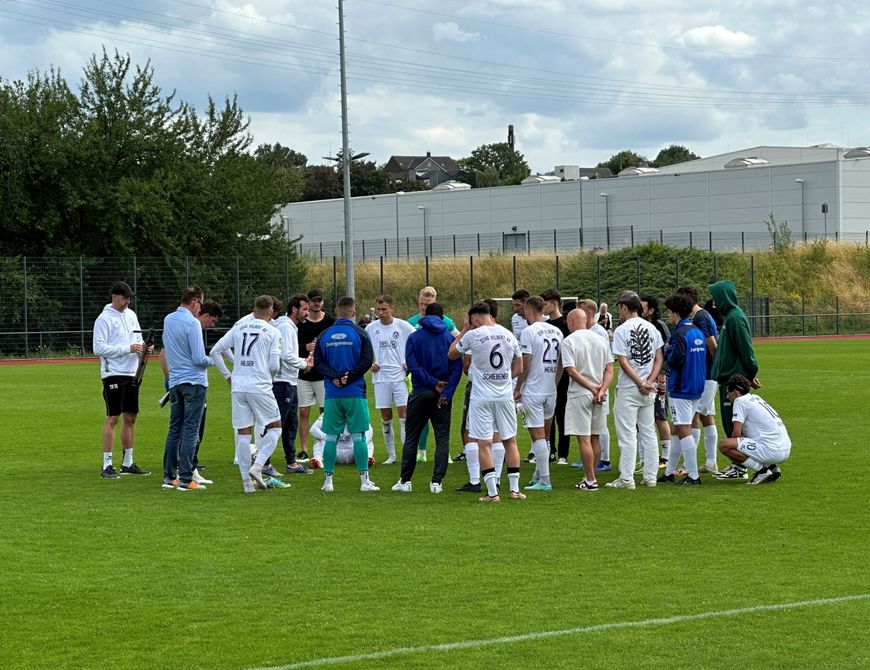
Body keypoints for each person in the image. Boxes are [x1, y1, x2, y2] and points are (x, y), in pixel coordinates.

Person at [449, 301, 524, 502]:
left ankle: (492, 493)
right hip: (505, 396)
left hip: (481, 397)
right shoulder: (509, 334)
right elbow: (520, 365)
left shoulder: (474, 334)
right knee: (510, 440)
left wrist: (464, 330)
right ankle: (515, 490)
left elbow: (452, 353)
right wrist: (506, 379)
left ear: (474, 318)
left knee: (484, 443)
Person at [210, 296, 284, 492]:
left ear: (254, 309)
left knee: (243, 433)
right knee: (275, 427)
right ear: (270, 312)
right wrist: (269, 375)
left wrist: (228, 375)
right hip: (260, 385)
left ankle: (246, 484)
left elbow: (216, 351)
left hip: (239, 385)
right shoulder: (273, 331)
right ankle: (258, 466)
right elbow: (274, 365)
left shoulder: (239, 327)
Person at [392, 302, 462, 493]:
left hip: (421, 391)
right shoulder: (449, 338)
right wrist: (445, 392)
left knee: (412, 437)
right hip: (443, 394)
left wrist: (431, 383)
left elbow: (412, 366)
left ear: (424, 316)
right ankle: (436, 482)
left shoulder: (414, 337)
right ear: (442, 318)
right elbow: (457, 369)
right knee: (442, 437)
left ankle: (405, 481)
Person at [313, 296, 378, 492]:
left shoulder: (324, 334)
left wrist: (334, 377)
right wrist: (349, 377)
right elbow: (367, 360)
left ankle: (328, 482)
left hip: (332, 393)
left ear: (336, 310)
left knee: (330, 437)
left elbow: (318, 363)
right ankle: (364, 482)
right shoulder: (360, 333)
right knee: (359, 436)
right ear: (354, 312)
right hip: (354, 392)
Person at [159, 299, 222, 485]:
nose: (200, 308)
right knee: (191, 430)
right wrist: (213, 360)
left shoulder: (169, 319)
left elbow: (166, 352)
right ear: (195, 301)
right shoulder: (192, 323)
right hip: (194, 383)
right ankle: (187, 477)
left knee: (174, 429)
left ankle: (170, 476)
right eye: (200, 304)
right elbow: (198, 359)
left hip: (175, 382)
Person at [93, 281, 151, 479]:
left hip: (132, 372)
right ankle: (107, 464)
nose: (128, 301)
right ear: (114, 296)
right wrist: (127, 349)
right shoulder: (103, 319)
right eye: (125, 297)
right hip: (113, 373)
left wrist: (144, 348)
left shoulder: (131, 315)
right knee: (113, 417)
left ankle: (128, 462)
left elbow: (138, 340)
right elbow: (98, 348)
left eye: (129, 298)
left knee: (131, 417)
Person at [607, 290, 663, 490]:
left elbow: (622, 361)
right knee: (648, 432)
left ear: (623, 307)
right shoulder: (652, 328)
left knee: (628, 434)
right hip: (649, 389)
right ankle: (650, 477)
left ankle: (627, 478)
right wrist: (649, 380)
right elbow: (659, 358)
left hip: (630, 388)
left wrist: (640, 382)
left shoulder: (622, 330)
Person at [708, 279, 761, 480]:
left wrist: (750, 373)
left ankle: (741, 466)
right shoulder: (730, 317)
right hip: (730, 378)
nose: (714, 302)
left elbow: (746, 349)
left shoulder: (735, 318)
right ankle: (740, 464)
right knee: (732, 422)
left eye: (716, 297)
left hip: (733, 380)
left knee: (735, 423)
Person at [561, 309, 613, 491]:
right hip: (599, 393)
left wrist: (591, 387)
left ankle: (590, 480)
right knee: (595, 436)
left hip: (580, 393)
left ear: (572, 321)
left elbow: (571, 370)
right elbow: (609, 369)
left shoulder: (569, 341)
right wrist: (602, 389)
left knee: (584, 438)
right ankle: (591, 476)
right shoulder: (601, 339)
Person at [514, 296, 563, 491]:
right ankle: (538, 476)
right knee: (546, 435)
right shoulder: (557, 331)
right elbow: (561, 363)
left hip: (533, 391)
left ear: (528, 310)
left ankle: (545, 480)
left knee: (538, 437)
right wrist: (554, 383)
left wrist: (518, 387)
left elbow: (526, 362)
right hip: (550, 389)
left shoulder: (528, 331)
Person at [657, 293, 706, 485]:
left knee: (684, 429)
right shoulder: (697, 331)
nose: (668, 316)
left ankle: (693, 475)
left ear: (676, 313)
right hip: (696, 385)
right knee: (677, 428)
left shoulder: (680, 334)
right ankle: (669, 472)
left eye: (669, 312)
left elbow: (676, 359)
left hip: (681, 387)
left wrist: (666, 352)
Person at [407, 286, 460, 462]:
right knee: (429, 420)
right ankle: (422, 451)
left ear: (433, 304)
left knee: (436, 421)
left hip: (425, 381)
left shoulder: (448, 324)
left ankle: (443, 453)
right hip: (436, 381)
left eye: (427, 304)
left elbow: (457, 344)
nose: (423, 307)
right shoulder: (411, 322)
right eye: (421, 303)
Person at [366, 295, 415, 464]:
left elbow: (416, 343)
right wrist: (369, 364)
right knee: (386, 418)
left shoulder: (403, 326)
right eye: (378, 310)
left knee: (404, 417)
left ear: (391, 308)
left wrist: (408, 362)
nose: (381, 313)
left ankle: (406, 455)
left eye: (384, 309)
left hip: (400, 377)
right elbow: (363, 350)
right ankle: (391, 456)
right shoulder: (371, 328)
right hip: (380, 378)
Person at [676, 285, 720, 474]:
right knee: (706, 416)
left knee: (693, 416)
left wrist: (714, 371)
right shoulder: (701, 316)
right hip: (708, 374)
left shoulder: (701, 317)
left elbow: (712, 345)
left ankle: (688, 465)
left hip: (706, 374)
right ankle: (710, 461)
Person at [718, 374, 790, 485]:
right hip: (784, 448)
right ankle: (772, 468)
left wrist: (735, 454)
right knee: (745, 441)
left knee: (725, 445)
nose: (727, 397)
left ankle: (762, 471)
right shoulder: (756, 398)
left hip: (772, 450)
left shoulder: (739, 401)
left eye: (728, 393)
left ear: (735, 392)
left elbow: (736, 434)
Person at [273, 295, 315, 474]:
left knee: (291, 423)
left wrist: (302, 363)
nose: (307, 312)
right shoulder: (285, 327)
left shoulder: (290, 327)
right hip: (281, 381)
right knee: (277, 424)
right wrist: (304, 364)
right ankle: (263, 462)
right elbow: (285, 356)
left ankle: (291, 463)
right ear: (294, 309)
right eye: (304, 309)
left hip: (290, 380)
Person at [296, 288, 335, 463]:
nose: (316, 303)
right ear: (309, 302)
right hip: (303, 373)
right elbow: (291, 347)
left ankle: (326, 446)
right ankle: (303, 449)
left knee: (325, 412)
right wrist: (305, 348)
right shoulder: (300, 323)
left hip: (323, 375)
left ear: (323, 302)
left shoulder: (330, 322)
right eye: (313, 301)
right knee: (303, 411)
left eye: (319, 300)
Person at [578, 299, 613, 472]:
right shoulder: (587, 331)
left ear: (590, 313)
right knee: (590, 426)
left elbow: (605, 361)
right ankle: (589, 457)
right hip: (590, 385)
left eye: (582, 310)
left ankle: (604, 459)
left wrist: (601, 386)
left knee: (600, 425)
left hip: (598, 384)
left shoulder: (598, 332)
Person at [640, 294, 671, 470]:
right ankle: (644, 457)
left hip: (658, 377)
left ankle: (665, 456)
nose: (639, 310)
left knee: (660, 415)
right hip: (641, 377)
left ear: (651, 310)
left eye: (642, 307)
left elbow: (668, 350)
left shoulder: (660, 326)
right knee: (642, 418)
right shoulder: (635, 325)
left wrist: (662, 373)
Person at [540, 288, 570, 464]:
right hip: (546, 376)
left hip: (563, 377)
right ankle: (549, 450)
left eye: (545, 304)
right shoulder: (545, 326)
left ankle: (563, 454)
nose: (543, 307)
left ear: (554, 304)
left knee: (562, 415)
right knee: (547, 414)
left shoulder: (565, 326)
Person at [309, 415, 375, 467]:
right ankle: (318, 459)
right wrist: (328, 438)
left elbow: (369, 429)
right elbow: (313, 430)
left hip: (354, 450)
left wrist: (360, 444)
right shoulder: (329, 413)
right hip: (332, 450)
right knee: (318, 439)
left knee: (368, 440)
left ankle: (367, 457)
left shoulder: (356, 412)